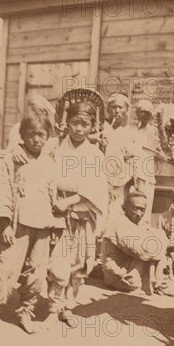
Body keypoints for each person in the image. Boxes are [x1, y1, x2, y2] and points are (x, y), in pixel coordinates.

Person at [0, 113, 63, 335]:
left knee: (36, 273)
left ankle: (26, 311)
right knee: (6, 268)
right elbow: (3, 190)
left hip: (42, 227)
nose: (36, 139)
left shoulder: (50, 163)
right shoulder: (13, 159)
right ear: (22, 136)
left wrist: (55, 225)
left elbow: (55, 197)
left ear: (47, 137)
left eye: (41, 135)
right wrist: (4, 224)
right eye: (31, 134)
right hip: (17, 226)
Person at [47, 89, 108, 326]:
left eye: (85, 124)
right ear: (66, 122)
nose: (79, 129)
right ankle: (53, 306)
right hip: (56, 214)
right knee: (57, 262)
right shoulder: (55, 147)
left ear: (93, 126)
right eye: (74, 122)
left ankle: (69, 307)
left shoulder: (94, 154)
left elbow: (95, 188)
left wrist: (69, 201)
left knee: (78, 263)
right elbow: (44, 172)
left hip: (82, 213)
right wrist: (54, 200)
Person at [101, 187, 167, 295]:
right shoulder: (119, 222)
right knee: (151, 251)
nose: (139, 213)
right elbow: (143, 250)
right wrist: (161, 241)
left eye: (143, 209)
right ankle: (157, 284)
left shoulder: (135, 223)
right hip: (118, 276)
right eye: (135, 208)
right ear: (125, 207)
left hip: (126, 268)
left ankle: (158, 282)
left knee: (156, 243)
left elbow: (155, 235)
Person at [104, 93, 137, 205]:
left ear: (126, 110)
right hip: (102, 179)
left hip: (121, 182)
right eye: (113, 107)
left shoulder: (128, 133)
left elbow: (132, 159)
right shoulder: (101, 128)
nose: (117, 110)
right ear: (108, 109)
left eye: (120, 107)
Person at [132, 98, 158, 222]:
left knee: (144, 203)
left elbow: (157, 151)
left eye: (146, 113)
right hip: (133, 172)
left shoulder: (153, 131)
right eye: (141, 112)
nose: (143, 115)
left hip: (146, 172)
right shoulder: (134, 131)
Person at [6, 94, 55, 161]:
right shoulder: (17, 127)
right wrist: (15, 149)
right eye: (34, 110)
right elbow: (11, 147)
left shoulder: (46, 127)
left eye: (42, 112)